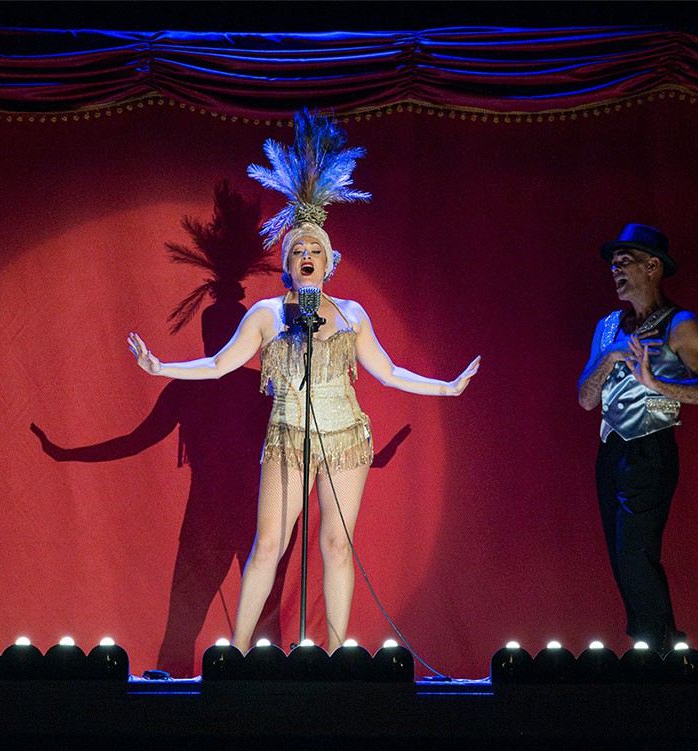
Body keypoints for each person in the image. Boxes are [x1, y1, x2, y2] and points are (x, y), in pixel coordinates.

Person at [127, 111, 480, 652]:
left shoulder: (352, 314)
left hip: (345, 439)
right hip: (289, 437)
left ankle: (335, 654)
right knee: (269, 544)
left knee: (336, 545)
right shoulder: (267, 315)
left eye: (315, 251)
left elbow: (388, 372)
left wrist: (446, 387)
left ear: (330, 262)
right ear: (287, 265)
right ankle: (238, 652)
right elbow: (219, 365)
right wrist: (161, 367)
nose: (307, 257)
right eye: (297, 251)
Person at [576, 224, 698, 654]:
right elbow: (586, 399)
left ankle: (662, 650)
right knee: (622, 559)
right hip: (611, 452)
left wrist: (657, 383)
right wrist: (611, 354)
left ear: (653, 266)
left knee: (635, 553)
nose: (615, 271)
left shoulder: (680, 324)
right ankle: (650, 647)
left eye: (625, 262)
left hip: (651, 448)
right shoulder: (607, 327)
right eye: (612, 265)